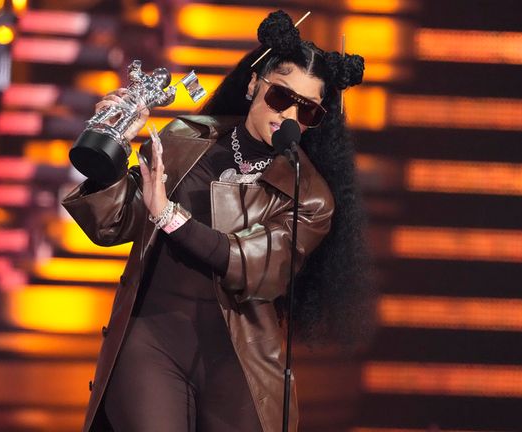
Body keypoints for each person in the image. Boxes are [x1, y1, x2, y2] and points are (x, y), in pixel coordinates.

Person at [62, 10, 372, 432]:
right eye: (281, 98)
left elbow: (258, 269)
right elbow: (112, 224)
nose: (290, 117)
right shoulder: (185, 138)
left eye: (309, 112)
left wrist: (171, 217)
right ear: (253, 84)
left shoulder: (311, 195)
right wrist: (110, 152)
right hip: (152, 340)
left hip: (239, 362)